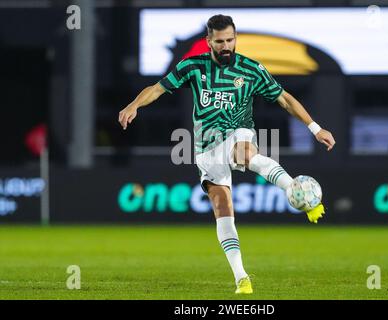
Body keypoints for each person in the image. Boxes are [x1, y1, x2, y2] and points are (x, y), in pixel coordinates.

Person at [118, 14, 335, 294]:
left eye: (230, 40)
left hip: (238, 132)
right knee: (223, 210)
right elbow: (158, 88)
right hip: (205, 147)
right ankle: (241, 277)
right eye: (219, 41)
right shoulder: (193, 67)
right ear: (209, 41)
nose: (225, 46)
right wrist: (134, 105)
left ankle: (293, 188)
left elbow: (284, 99)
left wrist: (315, 128)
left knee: (244, 152)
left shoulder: (251, 70)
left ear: (235, 38)